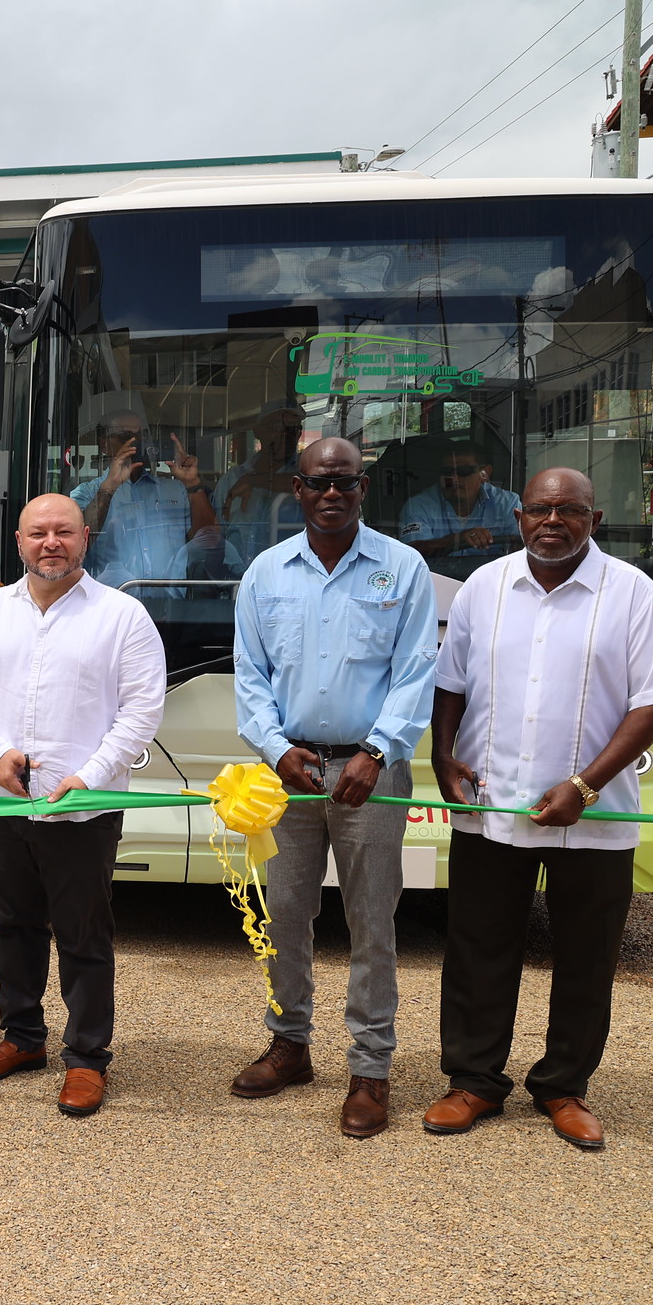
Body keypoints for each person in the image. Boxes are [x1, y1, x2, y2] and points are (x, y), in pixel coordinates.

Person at [423, 468, 653, 1150]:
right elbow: (450, 683)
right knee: (478, 947)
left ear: (593, 520)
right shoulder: (485, 587)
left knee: (586, 956)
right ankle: (473, 1079)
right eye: (540, 508)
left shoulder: (632, 593)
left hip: (594, 817)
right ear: (519, 518)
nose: (553, 520)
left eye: (569, 509)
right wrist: (441, 755)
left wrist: (587, 786)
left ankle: (564, 1085)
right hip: (491, 809)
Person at [231, 436, 437, 1138]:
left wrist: (377, 751)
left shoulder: (402, 569)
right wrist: (274, 747)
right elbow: (250, 676)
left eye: (343, 483)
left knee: (372, 924)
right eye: (318, 483)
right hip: (288, 775)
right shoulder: (265, 573)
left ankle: (370, 1069)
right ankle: (290, 1045)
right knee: (283, 915)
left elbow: (416, 673)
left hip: (370, 774)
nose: (330, 494)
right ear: (297, 487)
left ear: (362, 488)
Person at [0, 494, 167, 1117]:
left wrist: (88, 776)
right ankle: (22, 1037)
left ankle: (88, 1058)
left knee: (84, 932)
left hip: (83, 807)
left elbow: (142, 710)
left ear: (85, 538)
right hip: (0, 802)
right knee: (14, 925)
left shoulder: (123, 616)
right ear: (18, 541)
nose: (51, 543)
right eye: (38, 533)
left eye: (64, 531)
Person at [69, 409, 222, 587]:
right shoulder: (87, 493)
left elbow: (209, 539)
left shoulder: (174, 489)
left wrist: (192, 483)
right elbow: (75, 545)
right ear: (104, 444)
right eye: (125, 435)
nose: (136, 441)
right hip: (112, 607)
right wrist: (109, 488)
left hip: (172, 607)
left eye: (142, 435)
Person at [214, 399, 308, 560]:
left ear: (299, 434)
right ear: (258, 431)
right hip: (236, 578)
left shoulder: (306, 472)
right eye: (276, 427)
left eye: (291, 428)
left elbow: (312, 486)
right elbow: (217, 534)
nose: (284, 435)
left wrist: (255, 481)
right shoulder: (231, 479)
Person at [399, 443, 520, 561]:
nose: (453, 479)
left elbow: (521, 550)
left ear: (485, 473)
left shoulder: (506, 503)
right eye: (447, 472)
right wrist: (457, 540)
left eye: (464, 471)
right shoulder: (419, 505)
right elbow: (411, 555)